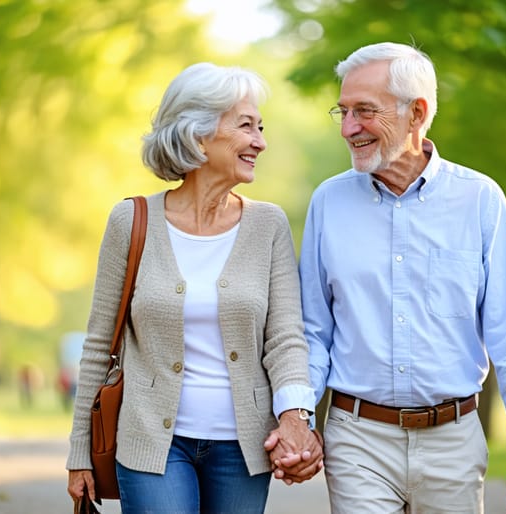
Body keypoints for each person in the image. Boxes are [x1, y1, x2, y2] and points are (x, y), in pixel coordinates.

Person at [280, 42, 506, 513]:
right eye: (342, 111)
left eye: (365, 111)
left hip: (454, 440)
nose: (349, 128)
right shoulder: (329, 202)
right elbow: (312, 331)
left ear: (417, 113)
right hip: (358, 438)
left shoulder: (481, 200)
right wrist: (299, 416)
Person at [66, 62, 322, 514]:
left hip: (242, 451)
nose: (260, 141)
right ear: (197, 134)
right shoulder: (131, 221)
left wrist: (295, 417)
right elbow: (98, 344)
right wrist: (79, 453)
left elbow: (286, 339)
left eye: (260, 127)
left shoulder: (269, 226)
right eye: (246, 126)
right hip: (152, 445)